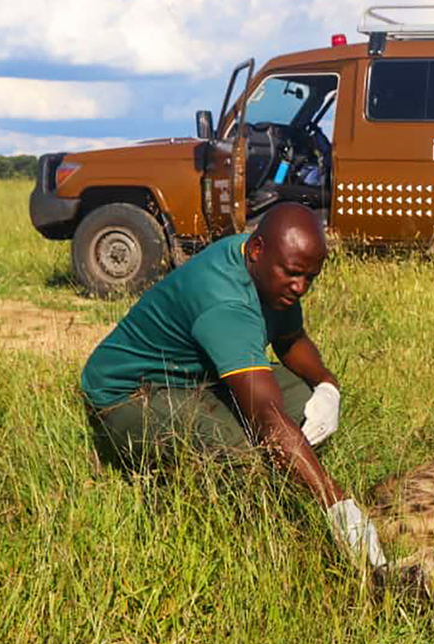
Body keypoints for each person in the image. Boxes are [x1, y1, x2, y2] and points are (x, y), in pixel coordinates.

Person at [80, 202, 386, 578]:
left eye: (311, 278)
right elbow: (266, 417)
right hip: (136, 391)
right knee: (243, 457)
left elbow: (290, 338)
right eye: (293, 274)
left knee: (306, 402)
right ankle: (166, 486)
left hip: (201, 373)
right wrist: (336, 504)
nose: (300, 287)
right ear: (257, 250)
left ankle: (284, 459)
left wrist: (328, 386)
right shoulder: (224, 300)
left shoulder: (271, 269)